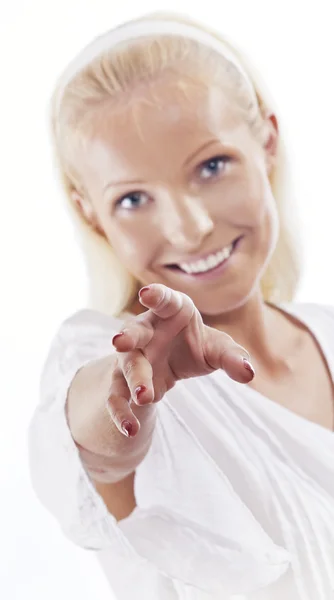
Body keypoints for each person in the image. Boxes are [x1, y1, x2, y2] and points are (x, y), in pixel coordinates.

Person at [28, 10, 334, 600]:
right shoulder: (102, 354)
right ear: (90, 210)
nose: (190, 228)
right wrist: (123, 393)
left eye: (212, 166)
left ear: (267, 141)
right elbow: (96, 452)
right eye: (135, 197)